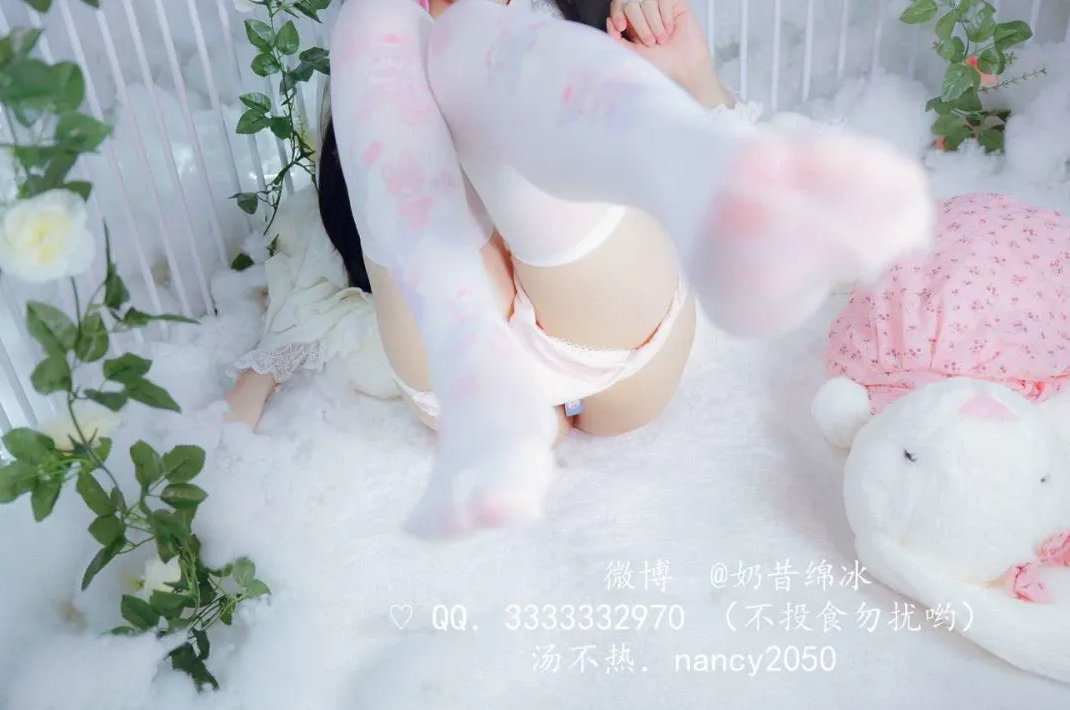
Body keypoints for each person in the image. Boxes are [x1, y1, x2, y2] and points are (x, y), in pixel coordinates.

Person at [229, 0, 935, 539]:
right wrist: (244, 399)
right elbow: (316, 249)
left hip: (596, 338)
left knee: (469, 44)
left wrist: (692, 75)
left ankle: (683, 159)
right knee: (384, 31)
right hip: (466, 357)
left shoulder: (591, 13)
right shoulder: (382, 51)